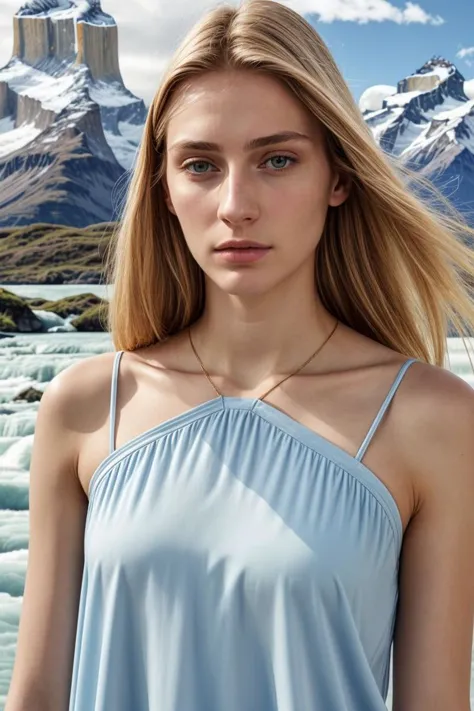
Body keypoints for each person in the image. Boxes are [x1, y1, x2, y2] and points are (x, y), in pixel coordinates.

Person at [5, 1, 474, 710]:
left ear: (338, 178)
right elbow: (35, 695)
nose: (235, 205)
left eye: (277, 159)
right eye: (200, 164)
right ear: (163, 187)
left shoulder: (431, 418)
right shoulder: (84, 407)